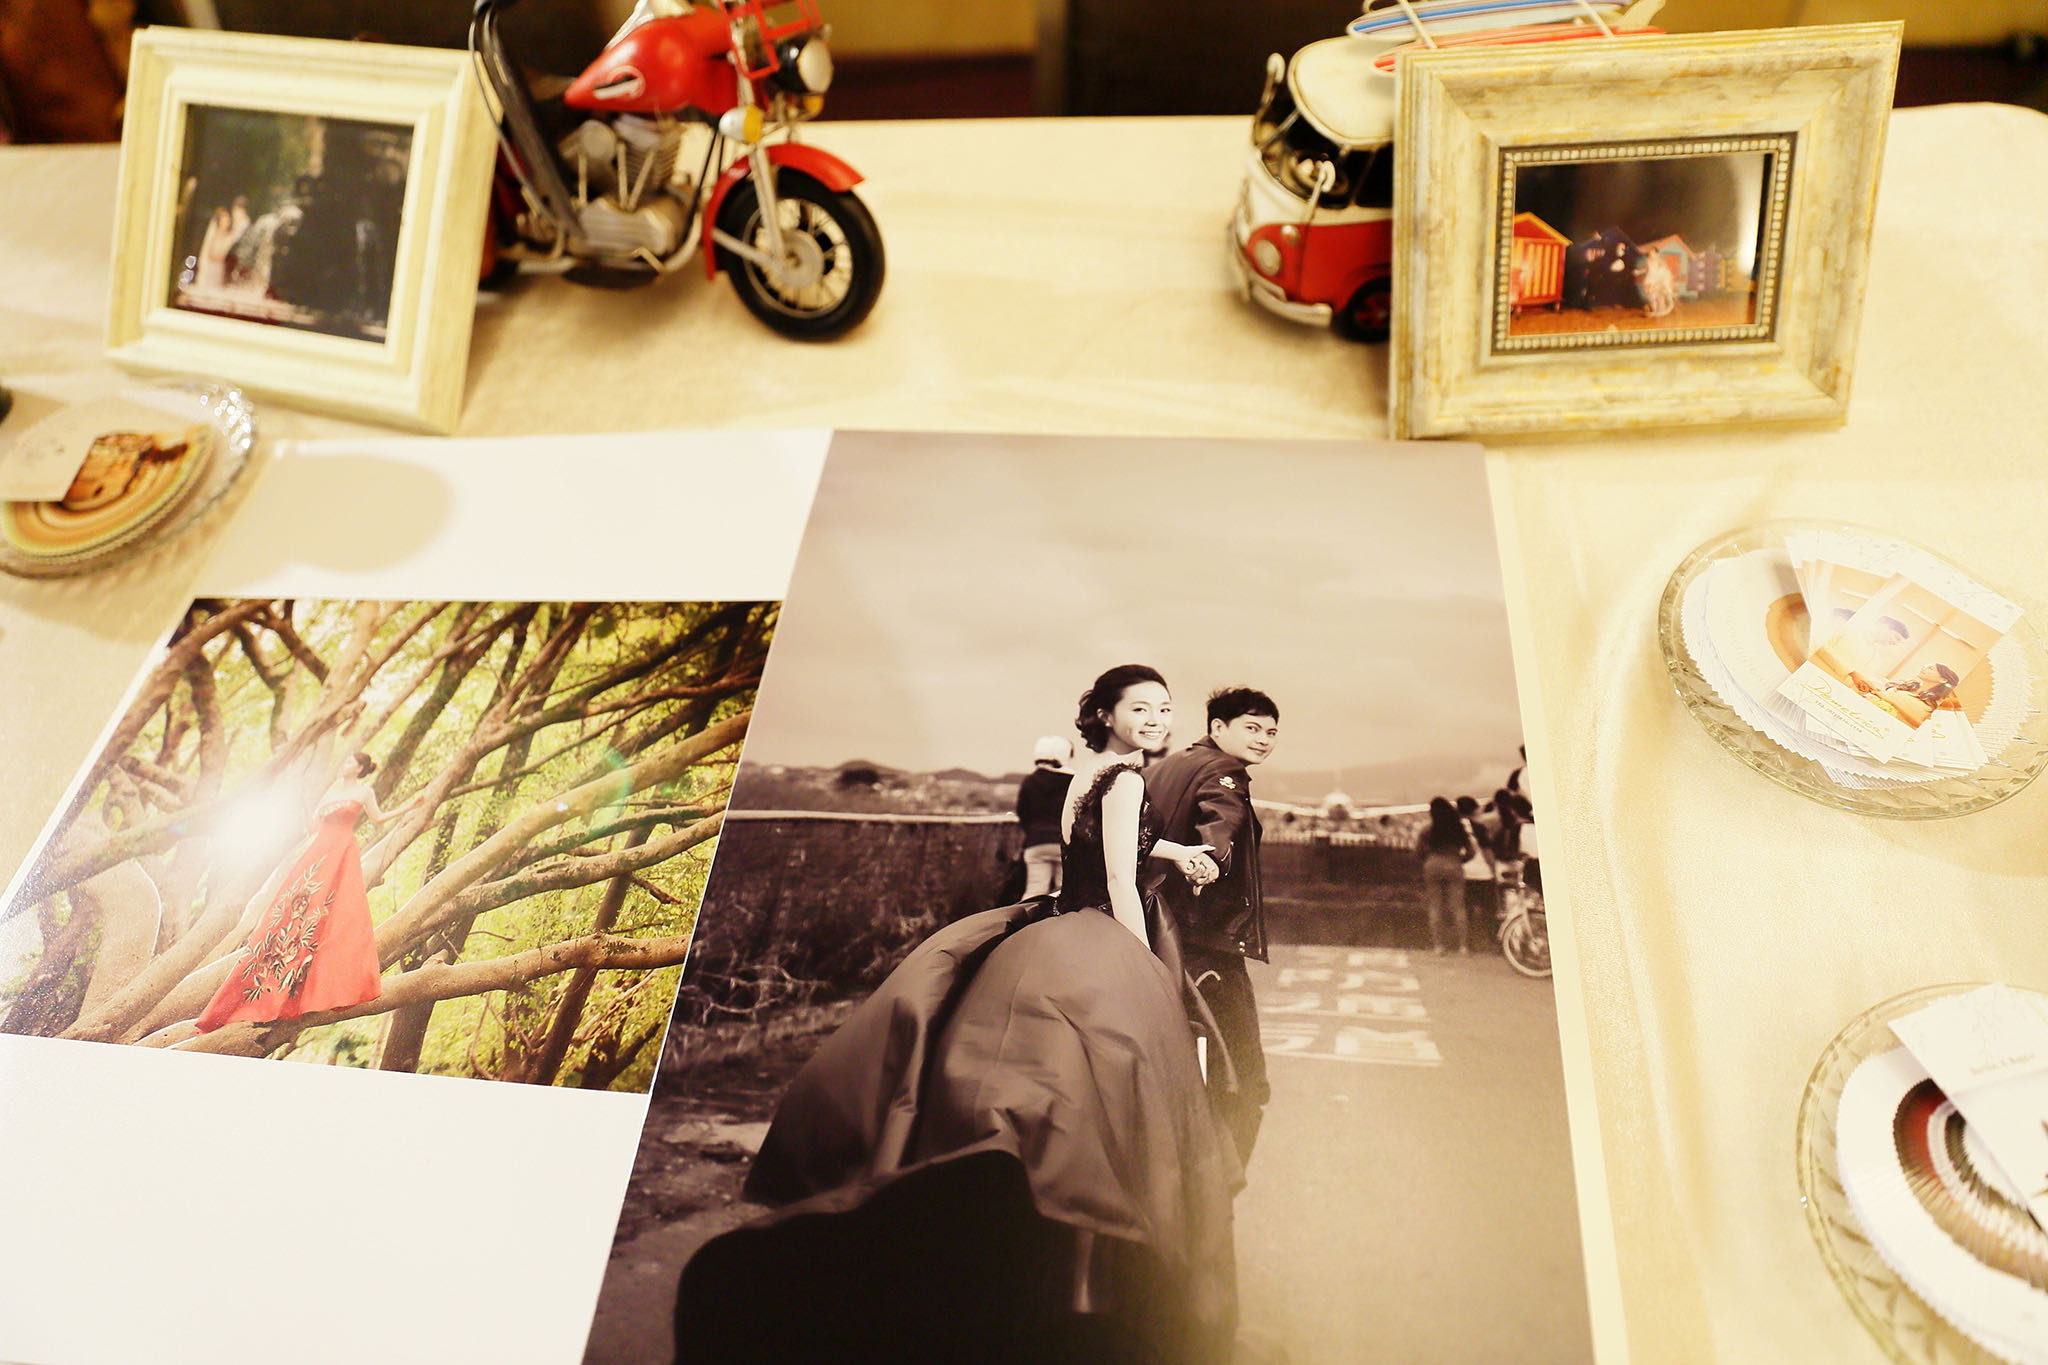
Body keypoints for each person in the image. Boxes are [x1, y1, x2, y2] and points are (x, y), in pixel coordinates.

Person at [671, 665, 1240, 1365]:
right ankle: (1096, 1267)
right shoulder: (1126, 780)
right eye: (1141, 708)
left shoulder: (1088, 771)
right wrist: (1138, 961)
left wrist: (1176, 850)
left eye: (1165, 708)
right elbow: (1120, 876)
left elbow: (1103, 845)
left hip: (1056, 917)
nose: (1156, 720)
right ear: (1106, 713)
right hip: (1105, 926)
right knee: (1120, 1090)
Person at [1142, 685, 1278, 1166]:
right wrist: (1210, 862)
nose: (1263, 739)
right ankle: (1220, 1182)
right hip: (1206, 939)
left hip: (1152, 931)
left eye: (1271, 732)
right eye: (1252, 728)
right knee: (1243, 1075)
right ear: (1218, 728)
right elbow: (1221, 820)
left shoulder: (1163, 767)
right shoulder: (1225, 771)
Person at [194, 752, 421, 1033]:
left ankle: (316, 988)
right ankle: (264, 996)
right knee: (291, 915)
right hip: (317, 852)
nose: (344, 764)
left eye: (350, 762)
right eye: (344, 760)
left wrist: (411, 806)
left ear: (361, 768)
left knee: (330, 914)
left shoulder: (363, 791)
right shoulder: (330, 793)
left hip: (341, 852)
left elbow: (378, 818)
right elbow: (313, 828)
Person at [1015, 735, 1074, 899]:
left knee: (1034, 891)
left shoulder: (1030, 781)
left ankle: (1027, 915)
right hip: (1065, 844)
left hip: (1036, 843)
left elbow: (1022, 812)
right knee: (1064, 892)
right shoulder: (1073, 781)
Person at [1417, 797, 1476, 956]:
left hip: (1432, 865)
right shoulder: (1458, 828)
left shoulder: (1426, 829)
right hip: (1453, 864)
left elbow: (1418, 851)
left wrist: (1429, 859)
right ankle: (1463, 947)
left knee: (1435, 907)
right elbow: (1471, 851)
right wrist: (1460, 860)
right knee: (1458, 907)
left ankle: (1439, 946)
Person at [1455, 794, 1497, 937]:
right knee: (1489, 911)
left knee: (1467, 911)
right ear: (1474, 810)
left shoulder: (1453, 827)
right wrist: (1493, 871)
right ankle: (1492, 939)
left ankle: (1469, 940)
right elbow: (1487, 851)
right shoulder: (1479, 827)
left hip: (1462, 873)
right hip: (1483, 873)